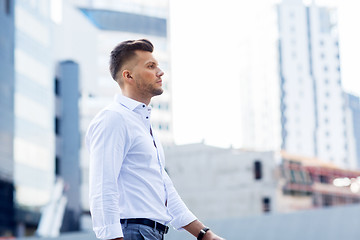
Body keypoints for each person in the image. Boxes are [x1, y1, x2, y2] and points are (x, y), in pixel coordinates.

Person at [86, 39, 225, 240]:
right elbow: (102, 188)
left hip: (151, 233)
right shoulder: (114, 119)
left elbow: (164, 188)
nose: (160, 72)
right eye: (151, 66)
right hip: (131, 232)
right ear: (128, 75)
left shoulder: (142, 124)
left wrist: (204, 234)